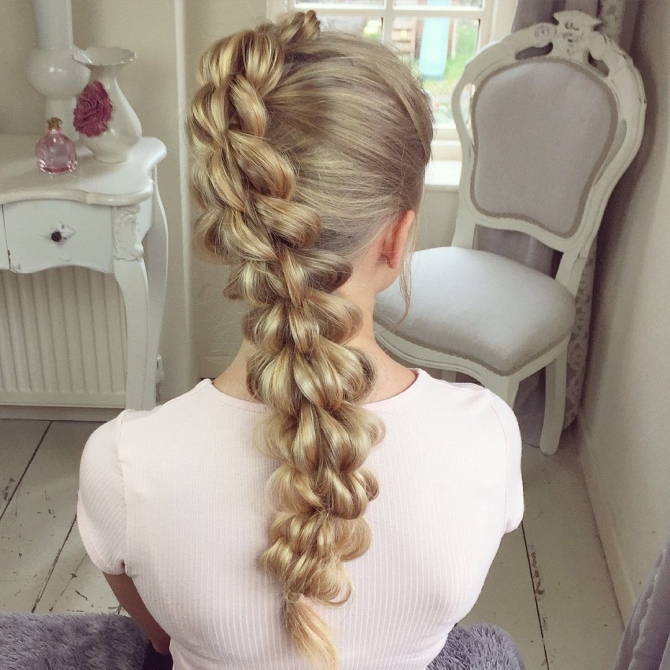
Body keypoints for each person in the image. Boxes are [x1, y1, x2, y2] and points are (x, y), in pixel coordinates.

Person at [77, 10, 523, 670]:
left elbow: (162, 639)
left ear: (237, 231)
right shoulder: (485, 438)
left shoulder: (121, 464)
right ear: (397, 239)